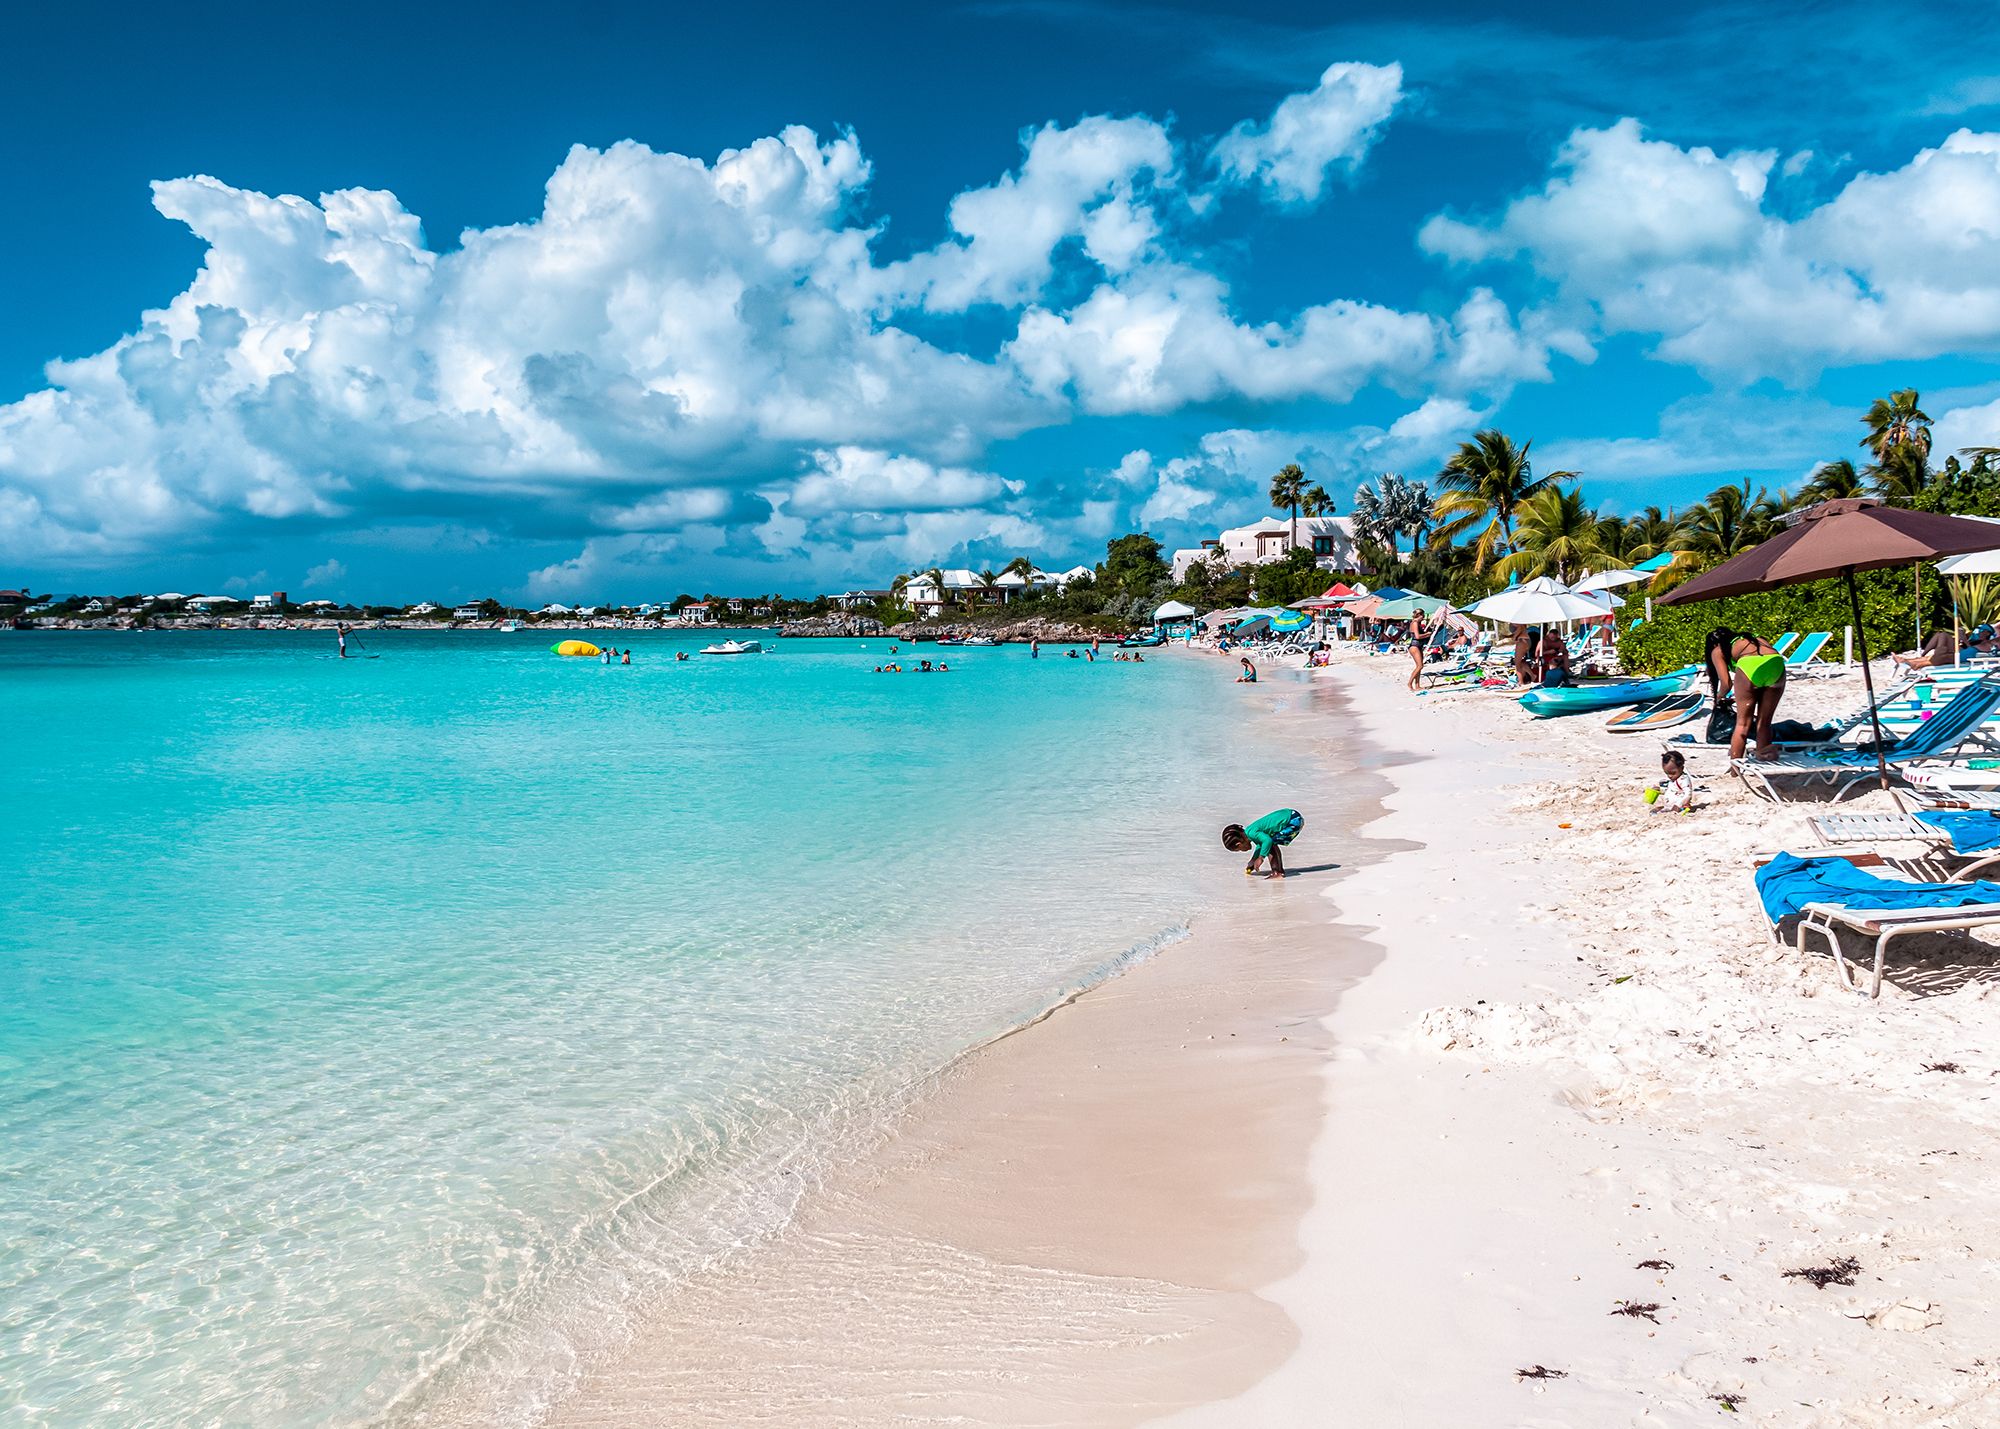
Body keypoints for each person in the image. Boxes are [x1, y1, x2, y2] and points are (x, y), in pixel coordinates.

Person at [1705, 627, 1786, 761]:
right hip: (1776, 664)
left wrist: (1719, 698)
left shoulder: (1717, 650)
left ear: (1714, 644)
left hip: (1750, 666)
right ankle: (1764, 760)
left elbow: (1726, 684)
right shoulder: (1752, 638)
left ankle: (1735, 770)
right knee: (1764, 722)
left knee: (1742, 725)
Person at [1222, 808, 1303, 880]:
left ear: (1239, 844)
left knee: (1271, 844)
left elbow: (1267, 841)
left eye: (1239, 850)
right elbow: (1261, 845)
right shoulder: (1250, 831)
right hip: (1293, 815)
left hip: (1292, 820)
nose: (1242, 851)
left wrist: (1261, 858)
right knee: (1269, 844)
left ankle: (1277, 872)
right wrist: (1253, 860)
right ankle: (1279, 871)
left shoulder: (1252, 833)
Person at [1892, 627, 1960, 672]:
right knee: (1941, 634)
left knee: (1943, 639)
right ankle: (1909, 660)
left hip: (1962, 655)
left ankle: (1916, 663)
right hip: (1960, 651)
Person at [1407, 614, 1428, 693]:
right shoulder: (1415, 623)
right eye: (1423, 616)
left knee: (1419, 666)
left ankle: (1417, 685)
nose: (1423, 618)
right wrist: (1427, 634)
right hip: (1415, 646)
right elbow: (1418, 636)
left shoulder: (1414, 623)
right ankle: (1409, 683)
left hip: (1418, 646)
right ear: (1419, 615)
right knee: (1420, 666)